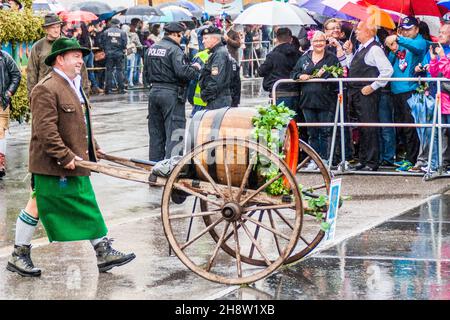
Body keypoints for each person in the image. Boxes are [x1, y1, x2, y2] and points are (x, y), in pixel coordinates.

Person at [6, 37, 136, 277]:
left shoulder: (73, 84)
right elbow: (46, 130)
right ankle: (20, 254)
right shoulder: (46, 87)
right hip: (53, 164)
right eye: (75, 56)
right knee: (49, 204)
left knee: (74, 202)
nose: (81, 60)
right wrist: (64, 156)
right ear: (60, 59)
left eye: (80, 56)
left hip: (72, 160)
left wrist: (93, 147)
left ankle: (101, 249)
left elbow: (79, 124)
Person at [147, 22, 201, 162]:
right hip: (171, 93)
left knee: (156, 134)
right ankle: (172, 167)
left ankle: (154, 165)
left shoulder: (152, 48)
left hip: (154, 92)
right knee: (175, 133)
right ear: (176, 34)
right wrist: (195, 68)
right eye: (181, 36)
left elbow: (145, 73)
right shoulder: (175, 50)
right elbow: (182, 72)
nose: (181, 39)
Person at [344, 21, 394, 171]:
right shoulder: (361, 48)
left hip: (367, 94)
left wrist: (373, 86)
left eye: (359, 29)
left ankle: (372, 162)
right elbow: (352, 66)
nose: (356, 32)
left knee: (370, 127)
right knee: (362, 127)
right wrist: (348, 53)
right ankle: (364, 159)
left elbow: (387, 70)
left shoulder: (374, 49)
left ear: (368, 32)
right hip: (356, 93)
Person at [385, 16, 428, 171]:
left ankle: (413, 159)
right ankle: (407, 157)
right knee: (401, 126)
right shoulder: (401, 43)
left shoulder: (420, 41)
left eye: (409, 29)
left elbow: (417, 47)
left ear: (416, 29)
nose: (406, 32)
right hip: (395, 90)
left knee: (411, 127)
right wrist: (394, 49)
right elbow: (390, 63)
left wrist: (398, 38)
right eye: (403, 29)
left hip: (410, 90)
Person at [291, 31, 340, 167]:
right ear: (312, 43)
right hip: (307, 100)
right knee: (312, 132)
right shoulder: (304, 58)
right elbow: (293, 73)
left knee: (324, 131)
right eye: (316, 41)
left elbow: (339, 75)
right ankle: (312, 160)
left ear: (325, 43)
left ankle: (323, 159)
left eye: (321, 41)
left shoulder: (331, 58)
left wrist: (326, 76)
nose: (319, 43)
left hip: (325, 100)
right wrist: (300, 76)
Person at [258, 27, 301, 110]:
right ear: (291, 39)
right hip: (296, 91)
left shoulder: (272, 55)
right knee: (294, 121)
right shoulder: (298, 54)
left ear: (277, 39)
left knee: (281, 120)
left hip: (278, 91)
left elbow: (261, 71)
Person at [198, 26, 233, 110]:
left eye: (205, 38)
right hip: (217, 98)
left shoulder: (219, 54)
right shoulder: (216, 52)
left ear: (214, 39)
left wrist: (206, 94)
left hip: (217, 99)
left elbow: (216, 80)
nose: (203, 41)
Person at [0, 49, 21, 178]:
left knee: (1, 132)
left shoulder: (4, 57)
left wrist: (9, 93)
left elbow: (16, 74)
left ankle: (0, 162)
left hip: (1, 102)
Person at [101, 18, 128, 94]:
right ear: (118, 24)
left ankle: (108, 89)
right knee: (120, 71)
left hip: (109, 54)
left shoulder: (106, 32)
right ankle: (121, 88)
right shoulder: (122, 32)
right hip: (119, 54)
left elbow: (102, 43)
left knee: (109, 71)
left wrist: (106, 49)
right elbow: (124, 44)